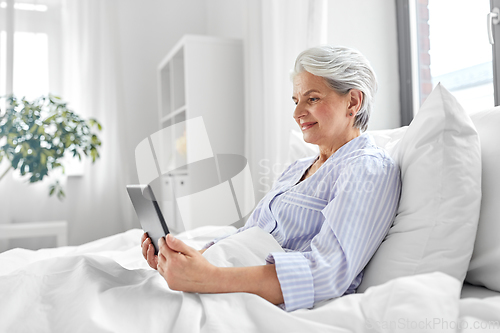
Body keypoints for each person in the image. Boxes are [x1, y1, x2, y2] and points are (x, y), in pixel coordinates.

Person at [141, 45, 401, 312]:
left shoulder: (367, 169)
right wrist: (183, 262)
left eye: (312, 99)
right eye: (296, 100)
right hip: (222, 273)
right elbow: (247, 234)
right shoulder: (297, 168)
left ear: (353, 102)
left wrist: (207, 277)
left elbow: (327, 272)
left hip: (247, 293)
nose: (297, 112)